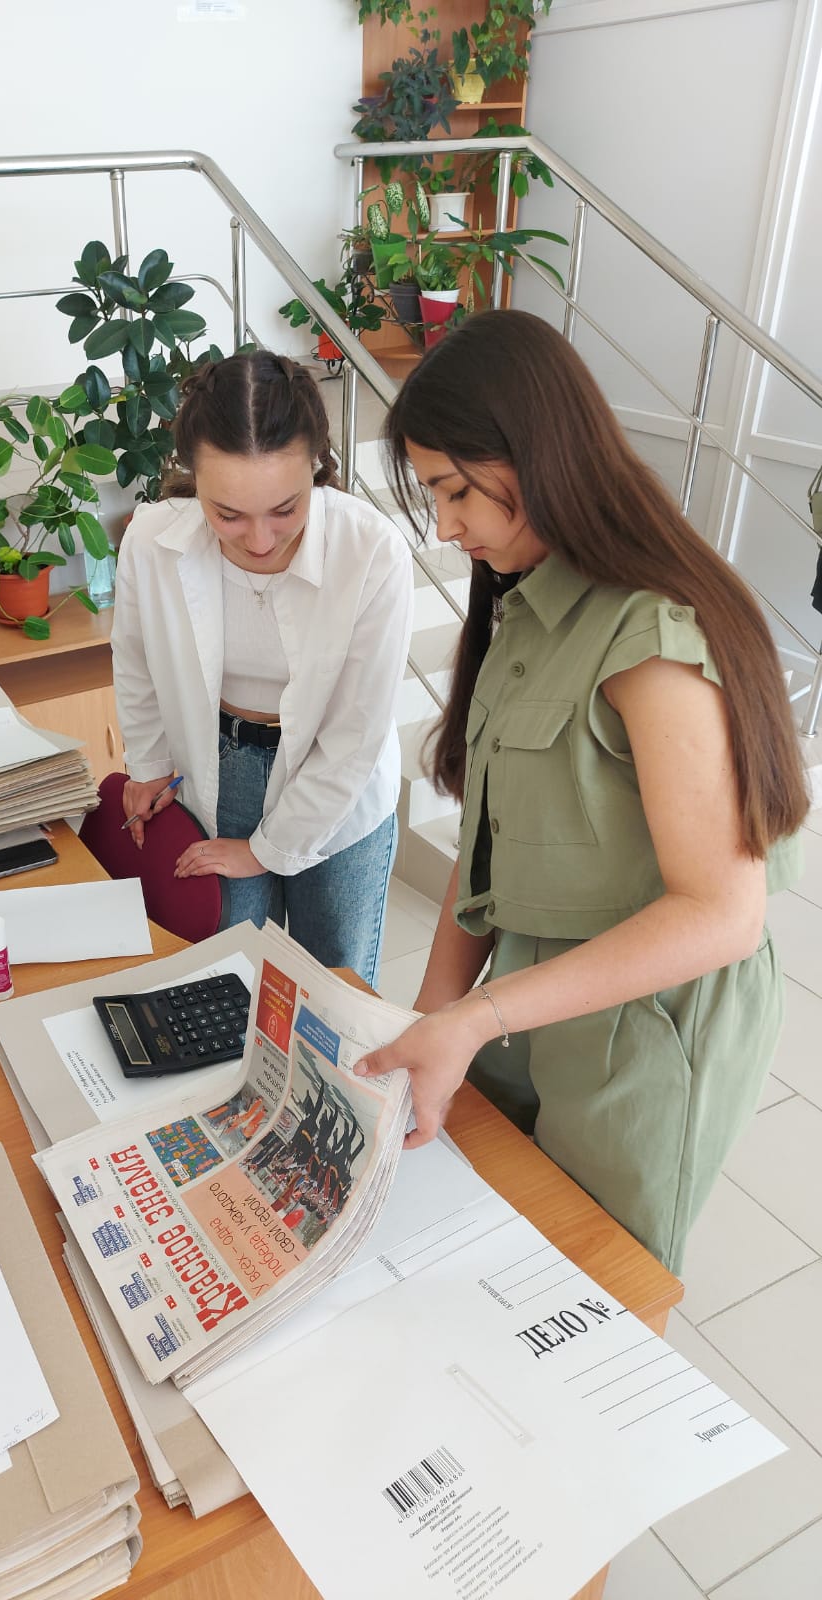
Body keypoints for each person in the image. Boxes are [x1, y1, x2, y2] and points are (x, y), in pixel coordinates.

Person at [355, 309, 808, 1274]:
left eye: (453, 491)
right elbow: (485, 848)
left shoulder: (650, 637)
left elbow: (722, 914)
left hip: (639, 1027)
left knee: (594, 1282)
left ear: (534, 453)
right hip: (530, 991)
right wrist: (428, 1024)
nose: (444, 526)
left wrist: (476, 1017)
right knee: (489, 1246)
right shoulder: (526, 598)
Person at [111, 350, 413, 987]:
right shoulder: (151, 539)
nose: (258, 540)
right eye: (227, 514)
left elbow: (354, 735)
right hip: (216, 766)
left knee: (330, 993)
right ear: (193, 477)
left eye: (285, 508)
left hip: (338, 784)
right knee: (224, 984)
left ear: (318, 467)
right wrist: (146, 762)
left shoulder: (371, 552)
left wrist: (267, 850)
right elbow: (135, 657)